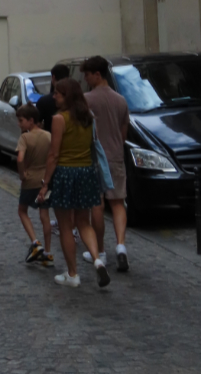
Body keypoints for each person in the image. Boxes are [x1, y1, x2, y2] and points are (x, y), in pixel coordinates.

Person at [37, 79, 110, 289]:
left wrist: (45, 183)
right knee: (84, 222)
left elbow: (54, 154)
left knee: (65, 226)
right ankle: (97, 260)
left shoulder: (60, 119)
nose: (54, 97)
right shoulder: (89, 117)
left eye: (57, 94)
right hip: (86, 172)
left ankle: (72, 274)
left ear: (67, 96)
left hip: (65, 173)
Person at [81, 55, 131, 272]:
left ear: (97, 74)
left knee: (97, 205)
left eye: (87, 74)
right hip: (116, 155)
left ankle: (100, 250)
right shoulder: (121, 100)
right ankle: (121, 245)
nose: (85, 78)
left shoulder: (86, 100)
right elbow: (123, 131)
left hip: (94, 158)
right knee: (118, 202)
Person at [15, 103, 53, 267]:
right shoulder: (48, 136)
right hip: (45, 180)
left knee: (22, 210)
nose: (19, 124)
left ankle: (35, 242)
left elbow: (20, 159)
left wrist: (22, 174)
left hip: (30, 180)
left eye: (21, 121)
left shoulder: (25, 137)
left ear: (31, 120)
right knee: (45, 215)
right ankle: (48, 253)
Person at [36, 63, 70, 133]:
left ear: (53, 78)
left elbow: (36, 124)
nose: (54, 97)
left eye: (56, 94)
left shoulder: (44, 101)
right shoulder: (77, 98)